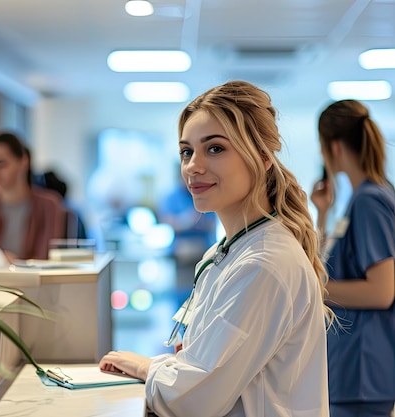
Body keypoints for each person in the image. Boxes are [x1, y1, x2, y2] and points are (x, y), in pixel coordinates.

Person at [99, 80, 333, 416]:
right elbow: (203, 367)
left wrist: (147, 368)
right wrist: (172, 365)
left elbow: (195, 399)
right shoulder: (226, 251)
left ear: (263, 157)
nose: (193, 165)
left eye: (215, 148)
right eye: (186, 151)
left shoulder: (263, 264)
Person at [310, 100, 395, 417]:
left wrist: (317, 289)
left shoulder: (370, 201)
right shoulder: (360, 199)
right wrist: (322, 213)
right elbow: (329, 265)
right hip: (352, 371)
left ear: (332, 147)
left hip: (363, 372)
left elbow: (382, 290)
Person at [0, 131, 65, 262]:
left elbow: (47, 257)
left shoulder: (49, 204)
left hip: (34, 281)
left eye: (1, 164)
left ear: (24, 162)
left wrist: (12, 262)